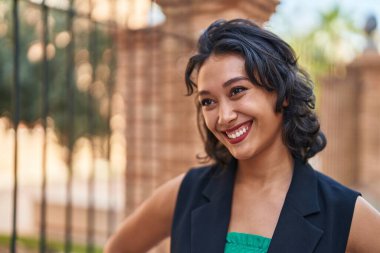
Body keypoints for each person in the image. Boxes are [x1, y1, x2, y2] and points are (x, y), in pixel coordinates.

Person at [104, 19, 380, 253]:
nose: (223, 116)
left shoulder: (345, 212)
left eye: (237, 91)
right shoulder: (184, 194)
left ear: (281, 94)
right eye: (208, 101)